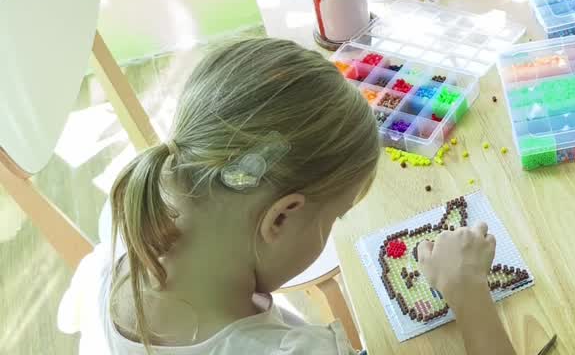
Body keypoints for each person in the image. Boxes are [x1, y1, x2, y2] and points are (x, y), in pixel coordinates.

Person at [74, 38, 516, 355]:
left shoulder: (129, 232)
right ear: (281, 217)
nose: (334, 229)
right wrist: (467, 290)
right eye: (336, 217)